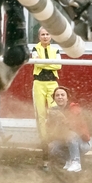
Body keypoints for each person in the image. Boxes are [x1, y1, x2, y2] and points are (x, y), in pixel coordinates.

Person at [31, 27, 61, 171]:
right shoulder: (34, 49)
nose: (45, 36)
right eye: (42, 34)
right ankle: (44, 143)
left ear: (51, 36)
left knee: (55, 113)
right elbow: (37, 64)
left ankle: (55, 141)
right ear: (39, 36)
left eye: (47, 34)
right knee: (41, 115)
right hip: (39, 83)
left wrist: (44, 63)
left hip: (52, 83)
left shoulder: (56, 50)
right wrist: (50, 64)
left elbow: (59, 65)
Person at [46, 86, 92, 173]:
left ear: (67, 98)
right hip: (65, 141)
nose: (60, 97)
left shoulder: (74, 108)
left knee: (70, 135)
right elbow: (51, 131)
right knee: (51, 147)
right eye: (57, 95)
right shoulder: (53, 111)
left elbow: (78, 128)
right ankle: (69, 160)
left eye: (62, 95)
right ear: (54, 98)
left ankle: (76, 163)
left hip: (83, 143)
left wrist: (64, 120)